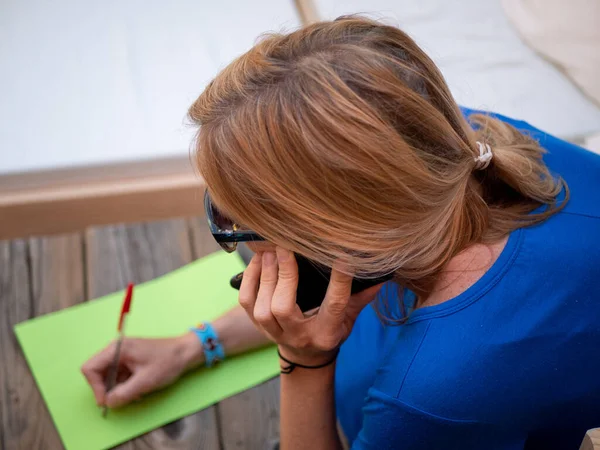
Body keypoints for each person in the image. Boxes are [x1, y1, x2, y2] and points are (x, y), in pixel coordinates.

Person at [82, 16, 600, 450]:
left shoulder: (425, 395)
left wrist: (304, 361)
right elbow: (321, 296)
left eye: (237, 220)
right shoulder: (451, 140)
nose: (233, 229)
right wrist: (191, 347)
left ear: (340, 238)